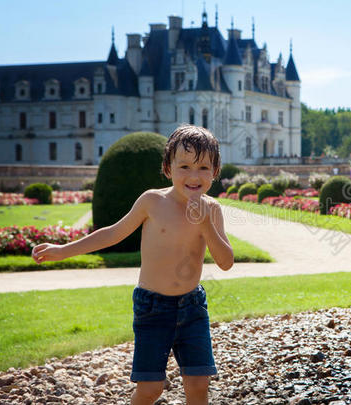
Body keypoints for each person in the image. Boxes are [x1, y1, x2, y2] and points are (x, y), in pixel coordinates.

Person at [31, 124, 234, 405]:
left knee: (199, 386)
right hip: (153, 308)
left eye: (203, 168)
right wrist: (64, 250)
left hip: (192, 308)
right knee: (151, 388)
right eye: (184, 166)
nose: (193, 176)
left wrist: (206, 226)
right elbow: (112, 233)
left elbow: (225, 262)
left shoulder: (212, 210)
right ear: (168, 168)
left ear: (215, 171)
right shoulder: (152, 201)